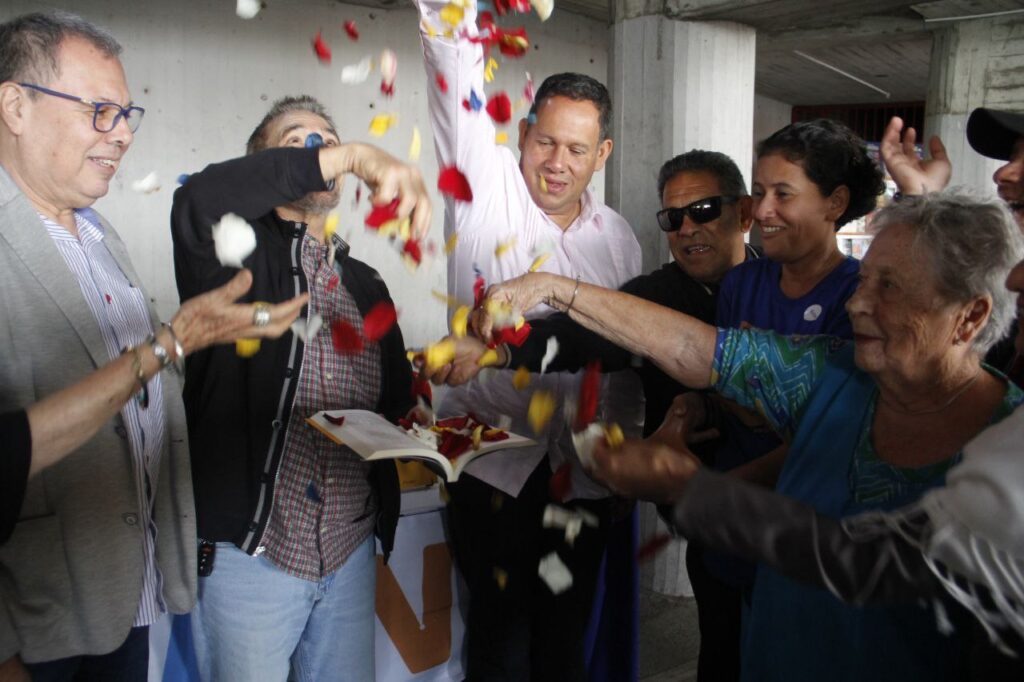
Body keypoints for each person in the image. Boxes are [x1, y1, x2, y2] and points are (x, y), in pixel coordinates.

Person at [477, 189, 1024, 681]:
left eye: (890, 287)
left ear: (970, 317)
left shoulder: (1008, 452)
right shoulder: (832, 373)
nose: (857, 303)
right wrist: (553, 288)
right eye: (864, 280)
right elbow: (694, 348)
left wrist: (690, 489)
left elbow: (868, 566)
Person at [0, 11, 297, 680]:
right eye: (100, 111)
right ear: (15, 106)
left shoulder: (99, 235)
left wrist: (195, 346)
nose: (124, 134)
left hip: (123, 596)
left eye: (127, 114)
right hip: (36, 618)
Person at [429, 149, 755, 680]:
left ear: (744, 213)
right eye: (673, 218)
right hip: (709, 523)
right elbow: (585, 337)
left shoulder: (781, 282)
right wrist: (496, 353)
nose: (687, 229)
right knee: (721, 648)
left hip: (794, 511)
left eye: (703, 210)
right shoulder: (658, 294)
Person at [414, 0, 643, 677]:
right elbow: (453, 72)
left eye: (577, 149)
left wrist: (625, 454)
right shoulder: (482, 193)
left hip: (585, 476)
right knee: (498, 645)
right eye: (545, 142)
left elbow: (623, 359)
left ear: (602, 154)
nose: (557, 163)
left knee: (564, 644)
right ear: (522, 135)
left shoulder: (619, 238)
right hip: (494, 469)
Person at [170, 95, 427, 682]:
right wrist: (349, 154)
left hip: (349, 549)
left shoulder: (366, 283)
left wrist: (424, 406)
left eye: (328, 140)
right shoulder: (229, 258)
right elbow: (197, 199)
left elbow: (396, 406)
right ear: (264, 169)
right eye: (298, 143)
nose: (320, 149)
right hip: (252, 557)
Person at [1, 269, 305, 545]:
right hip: (74, 551)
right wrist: (171, 342)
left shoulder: (103, 241)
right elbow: (20, 446)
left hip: (147, 550)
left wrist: (176, 341)